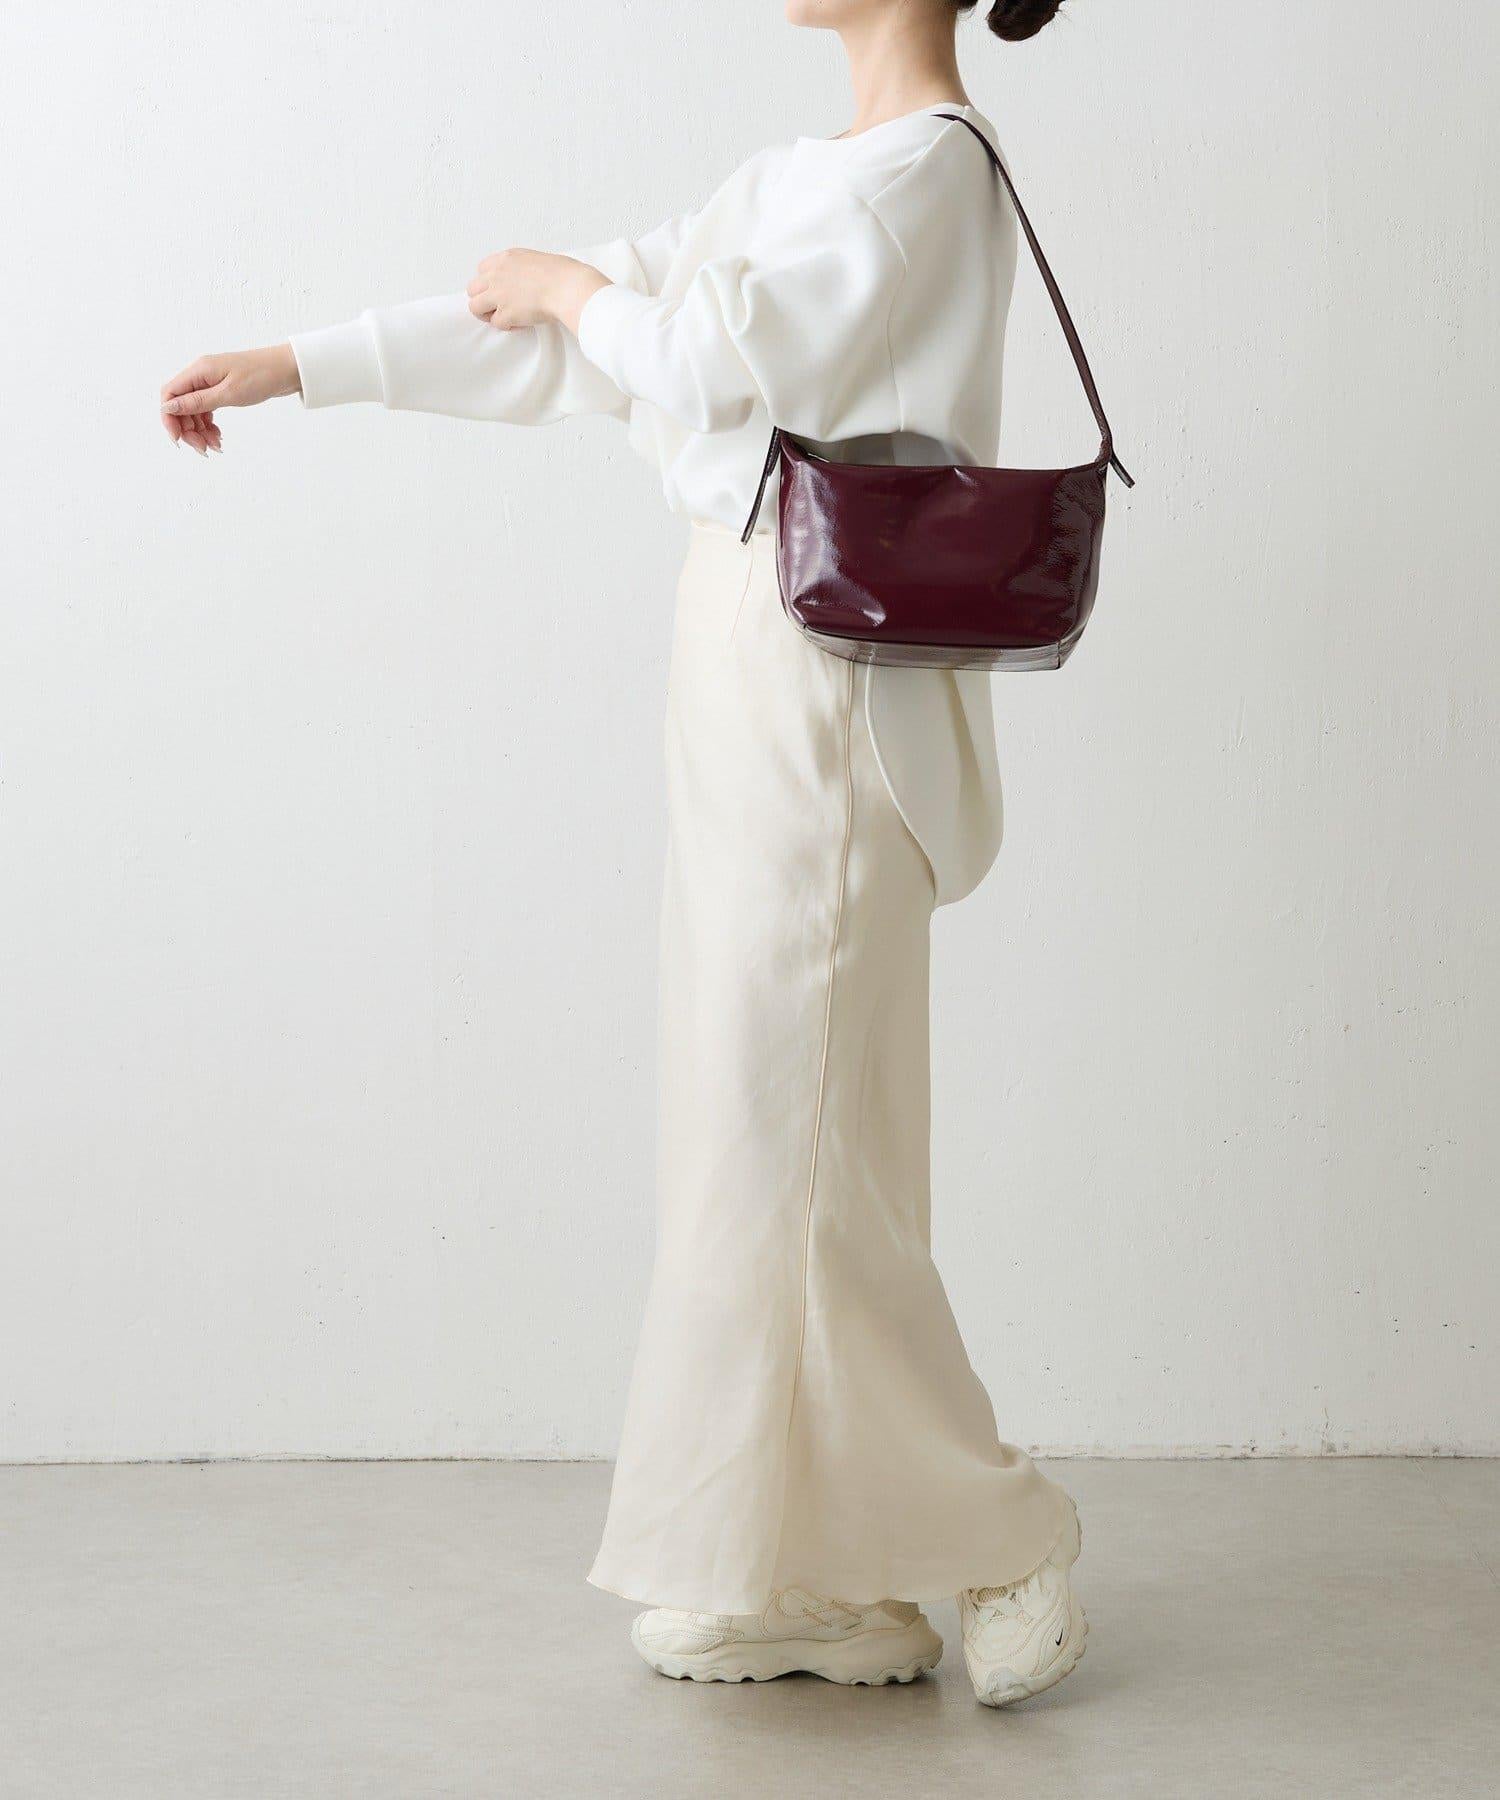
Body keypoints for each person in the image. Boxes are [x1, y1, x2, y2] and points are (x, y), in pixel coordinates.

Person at [160, 0, 1089, 1707]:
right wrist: (302, 363)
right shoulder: (797, 175)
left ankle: (1003, 1531)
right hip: (748, 646)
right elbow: (574, 344)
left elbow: (699, 356)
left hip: (831, 679)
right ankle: (812, 1579)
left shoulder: (926, 170)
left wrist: (576, 290)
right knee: (754, 1137)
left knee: (803, 1144)